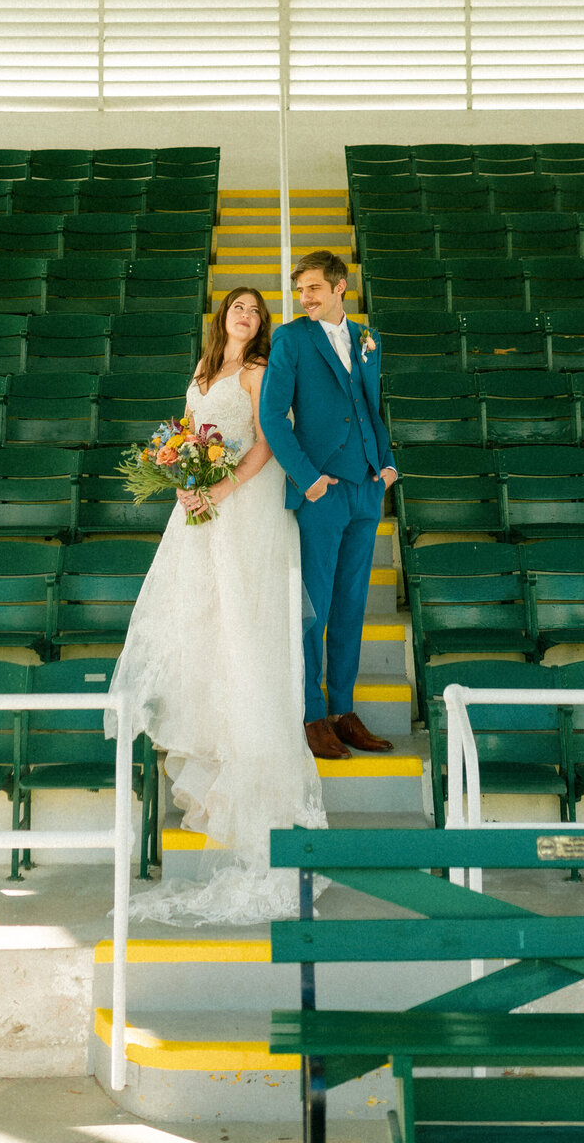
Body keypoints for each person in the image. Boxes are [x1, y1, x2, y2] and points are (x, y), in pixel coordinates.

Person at [109, 285, 324, 926]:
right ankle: (216, 752)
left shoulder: (260, 372)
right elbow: (189, 436)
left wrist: (220, 489)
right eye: (239, 306)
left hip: (245, 507)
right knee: (202, 627)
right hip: (200, 508)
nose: (247, 316)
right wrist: (182, 480)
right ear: (221, 315)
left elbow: (266, 445)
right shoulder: (201, 372)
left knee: (243, 629)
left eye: (257, 312)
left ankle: (253, 773)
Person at [259, 251, 397, 760]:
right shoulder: (291, 338)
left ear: (341, 287)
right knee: (312, 610)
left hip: (366, 487)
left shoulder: (368, 337)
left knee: (350, 607)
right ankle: (311, 714)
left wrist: (386, 465)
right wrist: (309, 479)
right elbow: (273, 416)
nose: (304, 297)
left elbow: (370, 404)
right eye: (300, 290)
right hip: (321, 492)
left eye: (314, 288)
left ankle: (343, 710)